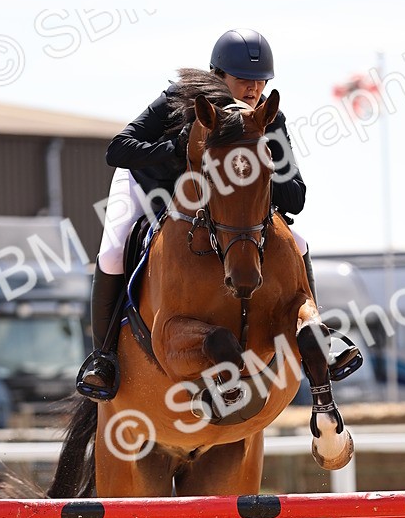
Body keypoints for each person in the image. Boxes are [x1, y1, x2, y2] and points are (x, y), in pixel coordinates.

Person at [76, 28, 360, 400]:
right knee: (113, 252)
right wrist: (175, 149)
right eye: (244, 80)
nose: (253, 90)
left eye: (261, 82)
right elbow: (118, 149)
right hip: (152, 185)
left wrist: (250, 174)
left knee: (299, 241)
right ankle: (105, 358)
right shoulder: (178, 100)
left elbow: (296, 197)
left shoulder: (268, 120)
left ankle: (317, 339)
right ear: (218, 76)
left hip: (221, 206)